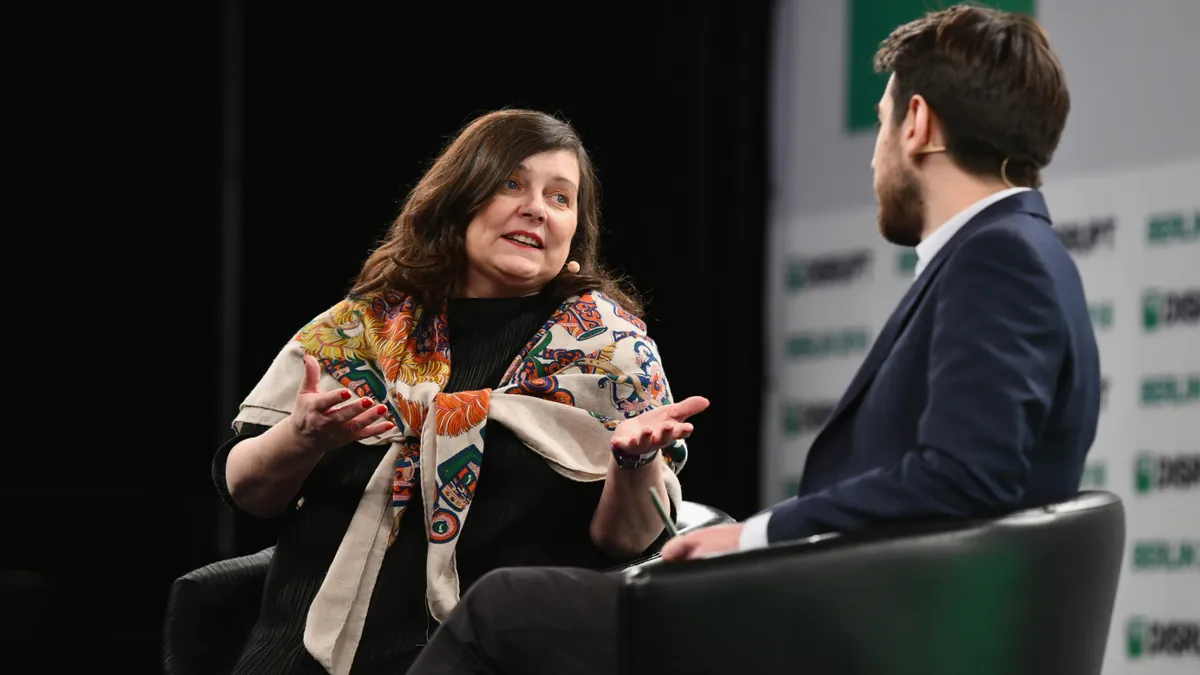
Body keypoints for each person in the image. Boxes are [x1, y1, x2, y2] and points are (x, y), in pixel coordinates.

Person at [406, 5, 1099, 675]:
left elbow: (965, 477)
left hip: (869, 631)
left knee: (502, 609)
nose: (875, 155)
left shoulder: (998, 257)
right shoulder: (1013, 252)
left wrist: (754, 539)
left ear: (917, 123)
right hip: (870, 609)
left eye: (882, 122)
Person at [212, 108, 709, 675]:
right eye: (511, 184)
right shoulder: (361, 330)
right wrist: (302, 437)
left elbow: (625, 543)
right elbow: (246, 492)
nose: (536, 209)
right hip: (297, 654)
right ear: (459, 198)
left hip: (488, 659)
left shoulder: (609, 353)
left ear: (576, 229)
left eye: (560, 197)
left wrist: (635, 461)